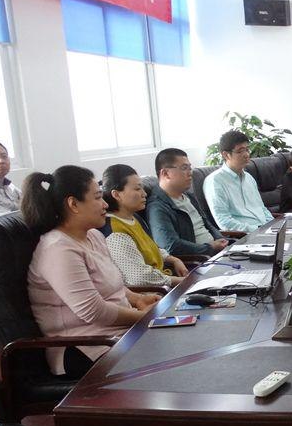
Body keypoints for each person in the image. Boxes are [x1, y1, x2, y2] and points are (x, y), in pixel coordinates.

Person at [21, 165, 161, 378]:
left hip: (120, 335)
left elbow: (111, 283)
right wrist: (144, 317)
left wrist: (137, 298)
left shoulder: (93, 236)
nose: (105, 204)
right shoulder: (58, 249)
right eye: (97, 197)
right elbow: (93, 311)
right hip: (87, 347)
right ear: (73, 204)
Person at [101, 164, 187, 288]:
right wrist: (183, 281)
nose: (144, 194)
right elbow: (139, 277)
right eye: (137, 189)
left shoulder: (133, 217)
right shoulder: (115, 232)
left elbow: (151, 248)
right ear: (116, 194)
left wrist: (174, 259)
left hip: (164, 282)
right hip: (154, 292)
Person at [148, 148, 230, 257]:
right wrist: (210, 248)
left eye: (190, 168)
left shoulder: (188, 196)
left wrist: (221, 239)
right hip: (200, 261)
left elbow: (207, 224)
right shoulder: (157, 207)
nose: (190, 173)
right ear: (166, 173)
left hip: (218, 253)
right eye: (184, 168)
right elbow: (171, 246)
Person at [204, 130, 274, 232]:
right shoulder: (215, 181)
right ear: (226, 155)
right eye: (240, 151)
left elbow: (262, 209)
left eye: (247, 149)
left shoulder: (249, 178)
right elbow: (224, 221)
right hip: (245, 236)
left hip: (265, 231)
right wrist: (258, 230)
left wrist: (274, 226)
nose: (246, 154)